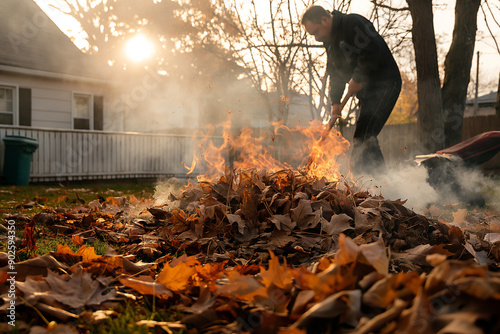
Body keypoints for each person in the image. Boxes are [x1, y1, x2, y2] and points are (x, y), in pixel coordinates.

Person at [301, 5, 401, 175]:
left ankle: (378, 184)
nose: (316, 38)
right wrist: (335, 102)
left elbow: (372, 52)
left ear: (324, 20)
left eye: (316, 32)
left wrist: (357, 77)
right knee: (363, 136)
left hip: (385, 84)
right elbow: (334, 73)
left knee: (365, 135)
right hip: (367, 93)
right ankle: (375, 183)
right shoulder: (330, 45)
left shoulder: (353, 23)